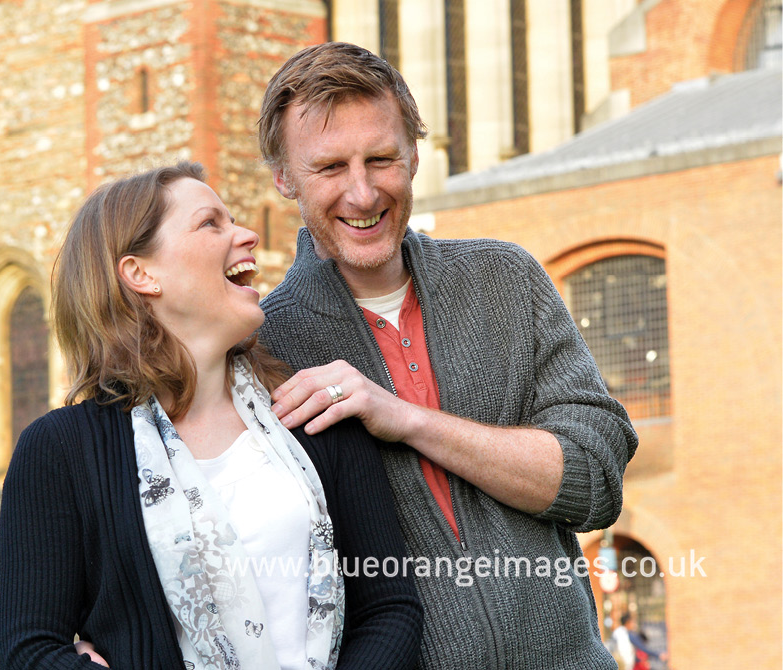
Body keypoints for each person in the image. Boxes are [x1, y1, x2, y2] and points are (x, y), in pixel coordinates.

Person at [255, 42, 639, 668]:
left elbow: (594, 482)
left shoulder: (505, 280)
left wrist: (404, 418)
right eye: (329, 168)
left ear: (414, 155)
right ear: (283, 178)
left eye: (381, 159)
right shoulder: (267, 345)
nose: (362, 192)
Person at [0, 162, 422, 670]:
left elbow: (390, 609)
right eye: (210, 223)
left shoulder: (312, 414)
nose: (248, 234)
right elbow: (30, 650)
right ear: (140, 273)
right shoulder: (62, 451)